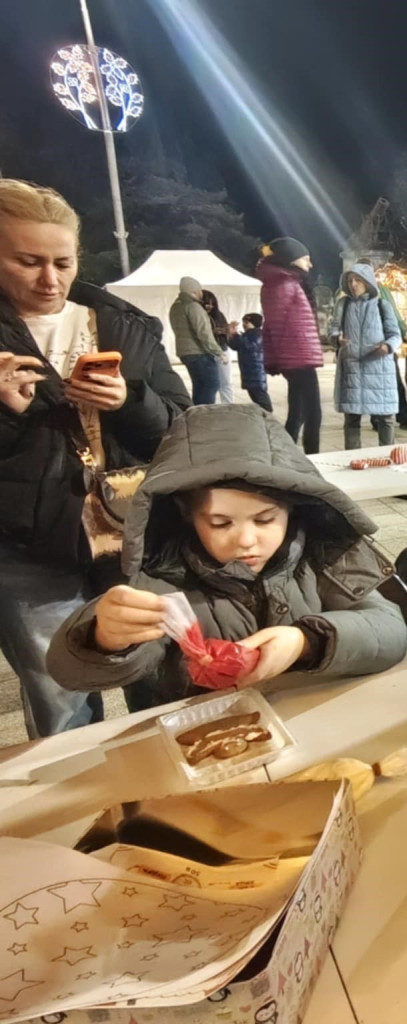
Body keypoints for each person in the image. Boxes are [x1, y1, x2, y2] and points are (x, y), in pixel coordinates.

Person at [46, 404, 407, 713]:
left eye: (265, 520)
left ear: (293, 507)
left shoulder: (320, 556)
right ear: (187, 514)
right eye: (221, 523)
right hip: (208, 734)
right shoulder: (162, 580)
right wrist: (104, 637)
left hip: (313, 722)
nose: (247, 541)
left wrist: (305, 641)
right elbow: (70, 672)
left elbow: (389, 630)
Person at [0, 178, 190, 736]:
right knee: (59, 700)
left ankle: (169, 785)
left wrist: (130, 401)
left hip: (134, 536)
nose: (49, 279)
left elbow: (183, 425)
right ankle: (81, 792)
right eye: (27, 261)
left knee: (164, 684)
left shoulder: (120, 323)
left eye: (63, 262)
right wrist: (7, 415)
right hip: (30, 550)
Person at [256, 237, 323, 454]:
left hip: (293, 356)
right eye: (306, 259)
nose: (309, 264)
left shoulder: (277, 282)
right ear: (291, 259)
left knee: (298, 410)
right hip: (298, 356)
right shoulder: (285, 284)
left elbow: (271, 325)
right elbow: (282, 325)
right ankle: (313, 457)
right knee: (312, 412)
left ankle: (286, 454)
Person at [334, 264, 401, 449]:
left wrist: (387, 346)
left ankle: (388, 453)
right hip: (352, 367)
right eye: (350, 280)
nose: (353, 284)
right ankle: (352, 455)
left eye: (358, 280)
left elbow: (395, 335)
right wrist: (336, 338)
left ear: (368, 282)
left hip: (379, 368)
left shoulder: (382, 305)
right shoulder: (343, 304)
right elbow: (333, 329)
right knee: (352, 417)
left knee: (386, 417)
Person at [353, 257, 407, 431]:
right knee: (387, 383)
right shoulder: (376, 292)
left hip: (379, 345)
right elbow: (395, 316)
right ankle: (394, 417)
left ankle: (386, 418)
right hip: (377, 345)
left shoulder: (358, 294)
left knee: (385, 383)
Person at [169, 276, 222, 406]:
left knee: (199, 386)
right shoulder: (193, 306)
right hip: (199, 352)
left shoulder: (175, 306)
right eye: (199, 290)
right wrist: (218, 351)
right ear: (195, 291)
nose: (201, 293)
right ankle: (204, 415)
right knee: (211, 385)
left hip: (185, 352)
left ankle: (196, 413)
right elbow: (203, 332)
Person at [201, 289, 237, 406]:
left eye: (212, 304)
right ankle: (210, 408)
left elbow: (227, 333)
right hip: (205, 352)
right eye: (207, 303)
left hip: (222, 349)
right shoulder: (198, 314)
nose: (210, 306)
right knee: (210, 384)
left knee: (226, 382)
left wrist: (228, 330)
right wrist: (214, 331)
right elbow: (200, 333)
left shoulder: (219, 315)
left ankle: (228, 407)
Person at [232, 312, 271, 412]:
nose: (244, 324)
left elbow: (246, 345)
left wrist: (234, 334)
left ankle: (268, 417)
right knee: (257, 398)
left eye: (246, 322)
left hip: (256, 373)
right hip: (250, 373)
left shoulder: (256, 334)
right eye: (243, 322)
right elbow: (235, 345)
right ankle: (264, 416)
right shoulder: (249, 334)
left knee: (262, 400)